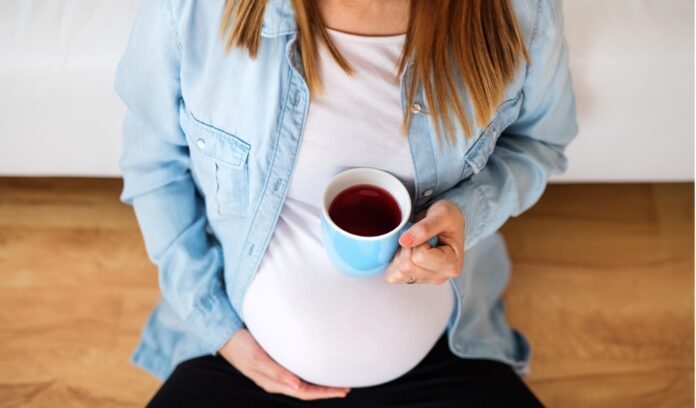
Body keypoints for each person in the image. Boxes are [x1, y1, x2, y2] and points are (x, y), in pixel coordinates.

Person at [114, 0, 576, 405]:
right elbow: (153, 163)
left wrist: (467, 213)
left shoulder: (519, 11)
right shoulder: (193, 9)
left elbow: (537, 144)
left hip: (445, 354)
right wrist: (219, 329)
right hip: (242, 356)